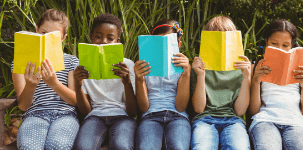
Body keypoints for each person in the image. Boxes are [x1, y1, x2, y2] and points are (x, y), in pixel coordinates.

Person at [12, 9, 79, 149]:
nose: (47, 37)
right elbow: (23, 106)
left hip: (65, 115)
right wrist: (30, 86)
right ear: (37, 29)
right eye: (44, 33)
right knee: (29, 147)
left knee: (58, 145)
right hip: (35, 115)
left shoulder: (72, 61)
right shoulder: (20, 62)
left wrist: (54, 84)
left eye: (54, 36)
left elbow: (75, 100)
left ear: (63, 38)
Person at [249, 19, 303, 150]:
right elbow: (253, 111)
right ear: (266, 41)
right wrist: (256, 80)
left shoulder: (302, 69)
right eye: (274, 44)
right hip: (265, 121)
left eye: (285, 45)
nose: (280, 49)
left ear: (292, 45)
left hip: (296, 123)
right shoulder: (257, 67)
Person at [73, 13, 137, 150]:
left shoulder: (128, 65)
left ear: (117, 41)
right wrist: (78, 86)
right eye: (98, 36)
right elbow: (85, 112)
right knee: (82, 147)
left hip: (123, 117)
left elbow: (132, 112)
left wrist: (127, 83)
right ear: (91, 38)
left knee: (121, 146)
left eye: (110, 38)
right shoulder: (81, 66)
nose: (103, 41)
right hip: (95, 117)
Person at [190, 16, 251, 150]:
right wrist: (201, 75)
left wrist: (247, 77)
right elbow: (199, 108)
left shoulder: (241, 69)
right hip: (204, 119)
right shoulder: (199, 68)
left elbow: (240, 111)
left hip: (233, 121)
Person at [134, 19, 191, 150]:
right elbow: (143, 108)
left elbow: (181, 107)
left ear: (179, 44)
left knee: (178, 147)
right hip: (150, 116)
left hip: (178, 117)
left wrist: (186, 73)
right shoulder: (144, 67)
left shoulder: (183, 68)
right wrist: (139, 79)